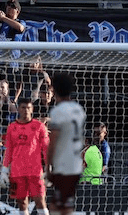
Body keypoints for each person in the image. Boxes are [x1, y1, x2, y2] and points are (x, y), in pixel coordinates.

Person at [0, 98, 50, 215]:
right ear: (18, 109)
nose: (26, 111)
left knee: (40, 201)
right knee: (22, 203)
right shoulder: (12, 127)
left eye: (28, 108)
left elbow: (46, 149)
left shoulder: (39, 126)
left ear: (32, 109)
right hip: (17, 172)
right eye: (23, 108)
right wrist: (4, 169)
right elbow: (8, 150)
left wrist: (49, 167)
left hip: (35, 171)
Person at [46, 73, 86, 215]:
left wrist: (48, 167)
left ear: (55, 89)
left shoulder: (58, 111)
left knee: (59, 208)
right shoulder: (79, 110)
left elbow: (53, 141)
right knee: (63, 206)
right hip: (75, 165)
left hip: (64, 167)